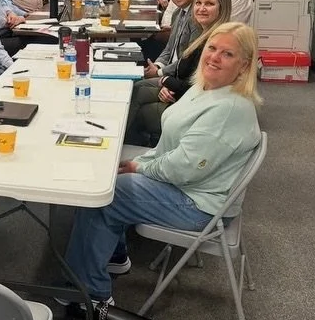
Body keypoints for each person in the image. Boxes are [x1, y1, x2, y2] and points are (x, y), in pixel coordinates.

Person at [63, 22, 262, 304]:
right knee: (107, 174)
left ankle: (88, 292)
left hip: (199, 205)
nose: (214, 57)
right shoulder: (207, 87)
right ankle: (113, 257)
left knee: (104, 194)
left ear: (243, 66)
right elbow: (173, 150)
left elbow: (183, 169)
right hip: (195, 186)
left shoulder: (228, 108)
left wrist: (140, 166)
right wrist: (142, 161)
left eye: (227, 54)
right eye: (212, 48)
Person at [126, 0, 232, 145]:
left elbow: (203, 90)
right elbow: (190, 75)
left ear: (222, 7)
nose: (202, 8)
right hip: (185, 95)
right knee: (135, 90)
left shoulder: (217, 43)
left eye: (209, 4)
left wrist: (167, 82)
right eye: (198, 3)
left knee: (135, 109)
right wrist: (169, 83)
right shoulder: (204, 34)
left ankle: (131, 144)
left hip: (195, 111)